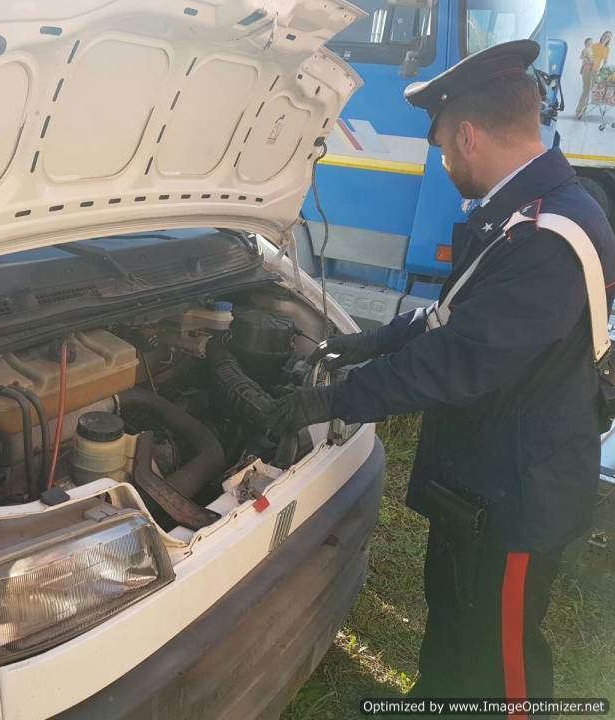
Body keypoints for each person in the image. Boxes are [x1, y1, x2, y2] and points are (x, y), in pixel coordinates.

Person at [268, 40, 615, 705]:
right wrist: (364, 343)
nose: (446, 162)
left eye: (445, 150)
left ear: (470, 135)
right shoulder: (526, 213)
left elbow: (455, 363)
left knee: (504, 651)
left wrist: (328, 402)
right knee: (455, 613)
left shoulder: (546, 235)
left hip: (520, 493)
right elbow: (452, 317)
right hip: (485, 475)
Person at [577, 30, 612, 119]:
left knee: (589, 91)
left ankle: (582, 111)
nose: (606, 37)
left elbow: (605, 62)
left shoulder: (607, 49)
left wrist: (602, 72)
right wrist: (582, 68)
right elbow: (586, 56)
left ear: (609, 39)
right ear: (602, 35)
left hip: (595, 72)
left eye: (608, 36)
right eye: (605, 35)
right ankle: (579, 111)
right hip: (587, 69)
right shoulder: (594, 45)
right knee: (586, 90)